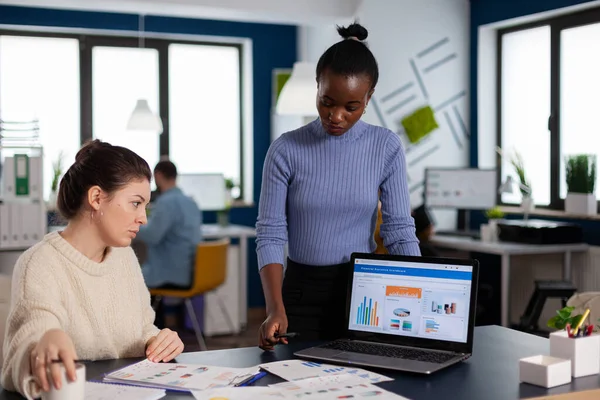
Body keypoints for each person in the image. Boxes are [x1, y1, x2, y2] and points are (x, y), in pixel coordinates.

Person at [255, 22, 421, 350]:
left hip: (365, 292)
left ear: (368, 97)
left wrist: (418, 291)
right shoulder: (285, 150)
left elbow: (399, 230)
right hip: (300, 294)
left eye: (351, 107)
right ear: (316, 86)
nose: (336, 116)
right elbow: (271, 234)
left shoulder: (385, 147)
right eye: (327, 101)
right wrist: (275, 308)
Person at [1, 140, 184, 398]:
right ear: (97, 198)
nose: (143, 218)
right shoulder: (39, 263)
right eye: (135, 203)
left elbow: (142, 329)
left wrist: (158, 340)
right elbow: (33, 334)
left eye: (145, 206)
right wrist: (47, 340)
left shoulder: (124, 257)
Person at [136, 160, 201, 329]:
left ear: (157, 176)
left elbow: (152, 235)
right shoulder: (191, 202)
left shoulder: (166, 203)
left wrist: (132, 226)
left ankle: (151, 332)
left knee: (132, 277)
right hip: (191, 271)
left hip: (171, 273)